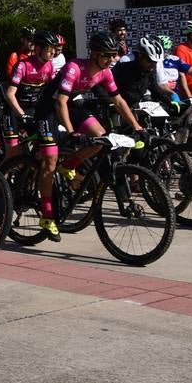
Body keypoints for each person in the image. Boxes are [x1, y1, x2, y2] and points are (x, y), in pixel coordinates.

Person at [34, 31, 144, 242]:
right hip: (49, 107)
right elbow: (60, 102)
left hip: (71, 105)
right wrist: (71, 131)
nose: (111, 59)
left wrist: (137, 127)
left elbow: (119, 102)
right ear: (94, 54)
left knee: (101, 138)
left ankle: (69, 165)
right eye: (107, 55)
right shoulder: (74, 68)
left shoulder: (105, 72)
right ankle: (47, 215)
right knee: (49, 161)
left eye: (114, 55)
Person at [5, 30, 60, 157]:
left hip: (32, 109)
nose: (53, 52)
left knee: (43, 148)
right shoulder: (23, 65)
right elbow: (9, 94)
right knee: (13, 155)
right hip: (14, 110)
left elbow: (54, 91)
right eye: (49, 49)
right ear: (38, 48)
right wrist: (22, 115)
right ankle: (2, 175)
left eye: (54, 48)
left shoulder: (49, 66)